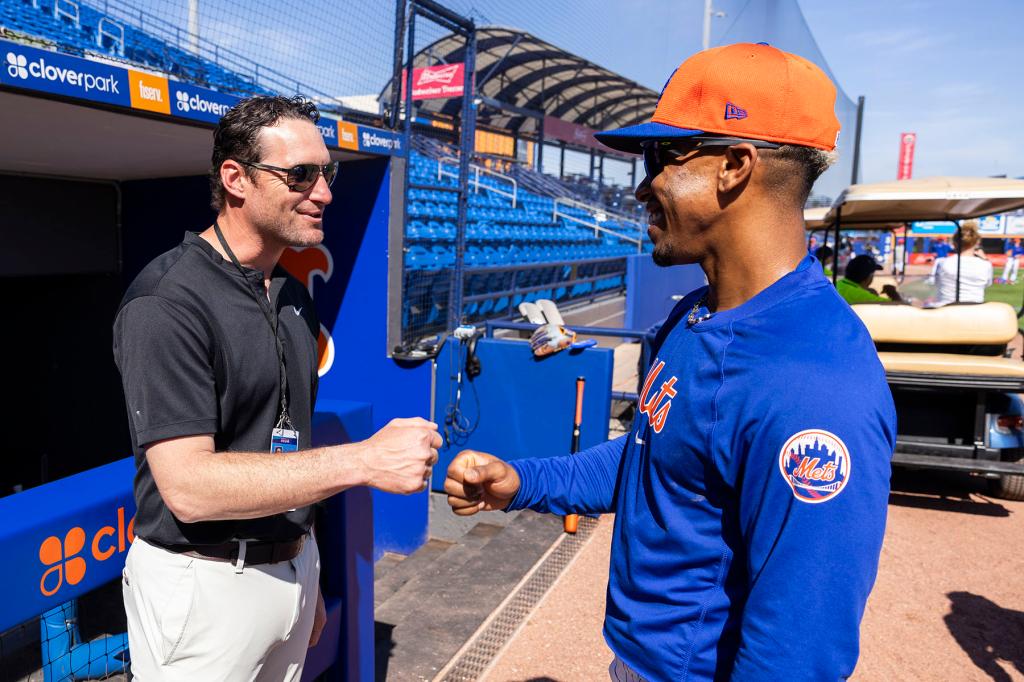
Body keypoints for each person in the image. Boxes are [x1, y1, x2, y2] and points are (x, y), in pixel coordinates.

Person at [445, 43, 894, 681]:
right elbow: (654, 457)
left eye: (663, 156)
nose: (643, 184)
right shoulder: (696, 312)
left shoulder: (815, 383)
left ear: (735, 165)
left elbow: (800, 650)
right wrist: (526, 482)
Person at [113, 95, 442, 681]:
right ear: (235, 179)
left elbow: (284, 438)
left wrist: (299, 564)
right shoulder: (168, 301)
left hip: (289, 568)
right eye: (300, 174)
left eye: (327, 172)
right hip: (203, 585)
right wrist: (364, 460)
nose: (324, 192)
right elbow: (188, 487)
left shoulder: (291, 295)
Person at [930, 219, 993, 305]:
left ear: (954, 242)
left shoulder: (942, 262)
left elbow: (934, 283)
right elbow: (987, 284)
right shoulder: (986, 265)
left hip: (945, 309)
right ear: (977, 242)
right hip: (974, 310)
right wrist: (984, 259)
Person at [837, 254, 903, 304]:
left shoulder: (837, 284)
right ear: (868, 277)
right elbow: (899, 307)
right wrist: (893, 293)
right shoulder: (862, 295)